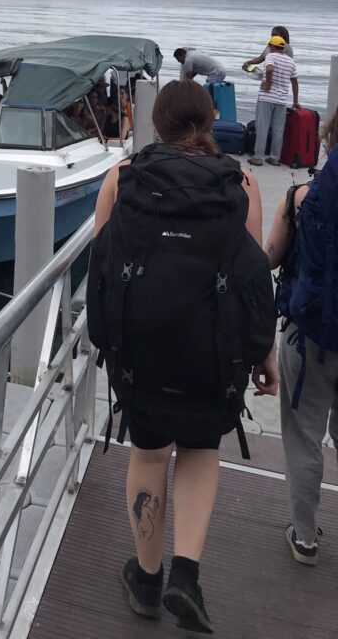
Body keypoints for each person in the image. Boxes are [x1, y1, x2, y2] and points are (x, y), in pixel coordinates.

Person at [88, 80, 277, 633]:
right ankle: (186, 576)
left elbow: (103, 270)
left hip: (141, 352)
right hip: (214, 355)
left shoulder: (122, 179)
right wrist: (264, 352)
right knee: (198, 450)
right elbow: (251, 281)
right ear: (212, 119)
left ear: (158, 124)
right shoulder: (240, 183)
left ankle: (146, 578)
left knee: (148, 454)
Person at [264, 110, 338, 567]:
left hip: (307, 337)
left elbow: (269, 257)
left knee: (305, 437)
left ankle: (305, 538)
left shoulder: (301, 197)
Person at [248, 35, 299, 167]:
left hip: (266, 98)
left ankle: (258, 157)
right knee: (278, 130)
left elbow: (269, 69)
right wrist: (295, 101)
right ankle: (274, 157)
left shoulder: (271, 56)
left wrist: (268, 84)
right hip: (282, 100)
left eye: (269, 46)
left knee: (262, 127)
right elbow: (294, 83)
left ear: (272, 46)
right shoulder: (291, 61)